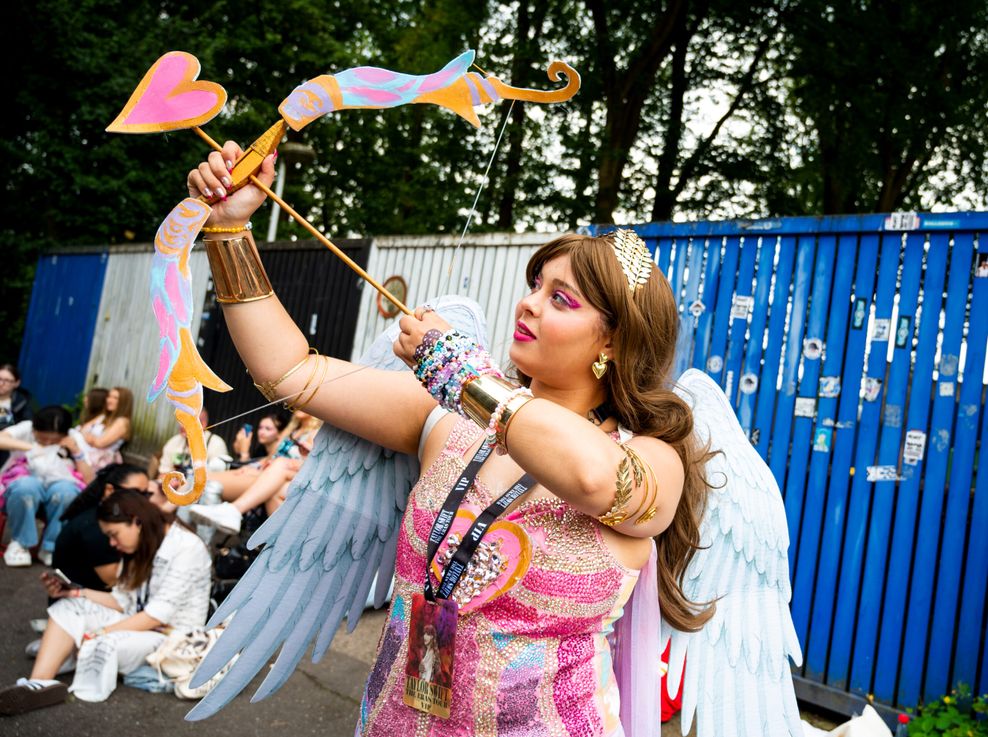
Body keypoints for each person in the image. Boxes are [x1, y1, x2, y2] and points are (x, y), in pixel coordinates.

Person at [180, 144, 713, 734]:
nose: (528, 303)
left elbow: (593, 478)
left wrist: (462, 376)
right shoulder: (449, 418)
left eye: (559, 299)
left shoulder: (651, 458)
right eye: (536, 283)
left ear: (613, 343)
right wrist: (229, 230)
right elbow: (291, 372)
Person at [0, 489, 211, 714]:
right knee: (67, 607)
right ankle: (39, 683)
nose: (112, 543)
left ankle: (64, 648)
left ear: (136, 522)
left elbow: (155, 616)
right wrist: (75, 594)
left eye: (114, 534)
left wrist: (100, 632)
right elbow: (121, 601)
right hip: (137, 624)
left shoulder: (186, 547)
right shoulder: (144, 544)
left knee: (101, 645)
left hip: (170, 637)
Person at [189, 409, 321, 534]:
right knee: (202, 478)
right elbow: (271, 457)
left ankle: (209, 534)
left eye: (268, 428)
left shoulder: (316, 433)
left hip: (278, 476)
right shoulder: (293, 430)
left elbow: (311, 466)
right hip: (269, 472)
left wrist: (247, 455)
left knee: (209, 485)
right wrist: (253, 465)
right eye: (261, 428)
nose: (262, 432)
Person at [1, 406, 94, 568]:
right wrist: (34, 448)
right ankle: (20, 544)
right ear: (35, 429)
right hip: (25, 482)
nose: (48, 443)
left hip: (58, 487)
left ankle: (51, 546)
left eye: (54, 440)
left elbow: (90, 479)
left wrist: (77, 452)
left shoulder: (74, 438)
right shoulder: (26, 428)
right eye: (43, 439)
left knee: (67, 492)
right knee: (26, 487)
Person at [53, 464, 150, 592]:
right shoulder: (98, 527)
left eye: (146, 494)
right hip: (83, 601)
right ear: (109, 490)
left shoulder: (111, 516)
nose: (143, 500)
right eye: (135, 493)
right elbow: (114, 580)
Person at [155, 408, 229, 477]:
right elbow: (163, 473)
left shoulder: (216, 444)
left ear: (203, 424)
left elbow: (219, 478)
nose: (181, 425)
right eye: (180, 420)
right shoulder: (174, 442)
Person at [75, 386, 133, 471]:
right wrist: (91, 438)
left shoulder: (122, 421)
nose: (109, 400)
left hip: (100, 461)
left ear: (123, 402)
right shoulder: (104, 416)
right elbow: (81, 429)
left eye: (115, 398)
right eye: (109, 396)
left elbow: (100, 443)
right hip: (88, 453)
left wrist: (89, 437)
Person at [0, 364, 33, 468]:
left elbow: (26, 427)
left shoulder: (21, 403)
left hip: (8, 451)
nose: (1, 383)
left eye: (7, 380)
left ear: (16, 383)